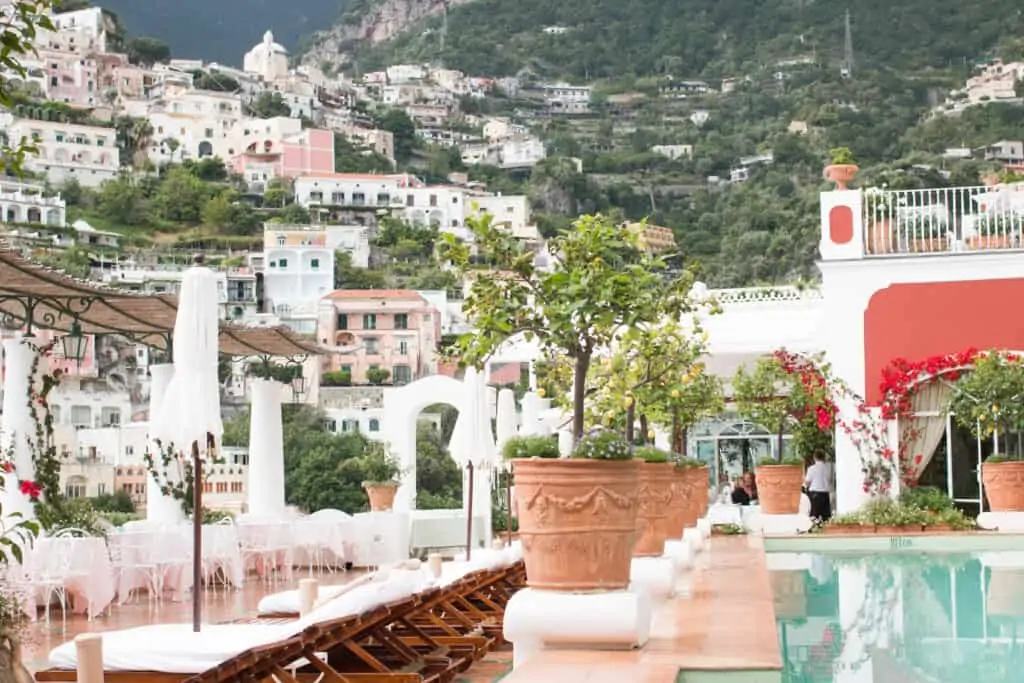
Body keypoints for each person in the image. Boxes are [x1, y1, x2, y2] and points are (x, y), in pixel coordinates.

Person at [805, 452, 833, 521]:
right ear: (823, 457)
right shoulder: (828, 468)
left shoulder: (811, 468)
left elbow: (808, 482)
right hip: (825, 493)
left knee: (814, 515)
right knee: (826, 516)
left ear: (814, 458)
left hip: (815, 493)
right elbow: (830, 479)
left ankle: (815, 529)